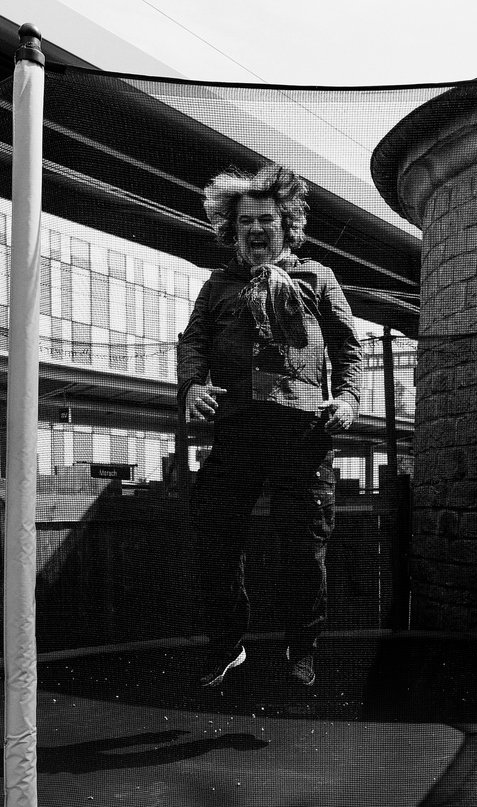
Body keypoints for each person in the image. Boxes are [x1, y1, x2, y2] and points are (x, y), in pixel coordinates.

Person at [177, 163, 362, 690]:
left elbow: (349, 347)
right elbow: (192, 343)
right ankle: (227, 645)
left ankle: (302, 648)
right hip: (238, 429)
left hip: (302, 432)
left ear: (286, 225)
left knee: (303, 547)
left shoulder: (317, 278)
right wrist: (192, 387)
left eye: (266, 220)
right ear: (231, 229)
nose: (256, 229)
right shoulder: (218, 286)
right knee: (215, 537)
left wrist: (348, 399)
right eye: (245, 222)